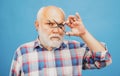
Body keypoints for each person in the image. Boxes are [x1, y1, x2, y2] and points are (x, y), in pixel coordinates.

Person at [10, 6, 112, 76]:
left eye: (60, 25)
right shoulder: (22, 52)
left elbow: (104, 60)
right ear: (37, 25)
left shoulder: (76, 49)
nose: (56, 30)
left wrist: (84, 33)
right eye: (49, 24)